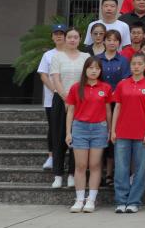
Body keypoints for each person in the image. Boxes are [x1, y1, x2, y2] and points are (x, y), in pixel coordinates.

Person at [64, 56, 112, 213]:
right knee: (81, 165)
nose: (94, 71)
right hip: (80, 128)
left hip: (99, 128)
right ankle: (79, 199)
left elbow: (108, 111)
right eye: (91, 68)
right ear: (85, 69)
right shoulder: (76, 88)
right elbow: (70, 111)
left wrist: (109, 130)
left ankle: (91, 199)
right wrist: (68, 132)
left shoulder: (105, 88)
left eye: (97, 68)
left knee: (95, 165)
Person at [111, 53, 145, 213]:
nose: (136, 67)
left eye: (139, 64)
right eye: (133, 64)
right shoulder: (122, 84)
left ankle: (134, 201)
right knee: (121, 168)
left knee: (140, 169)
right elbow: (117, 107)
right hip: (122, 131)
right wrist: (113, 130)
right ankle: (121, 200)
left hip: (141, 132)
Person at [50, 27, 87, 189]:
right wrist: (66, 98)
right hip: (60, 100)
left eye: (76, 37)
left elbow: (86, 79)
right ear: (65, 39)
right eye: (70, 37)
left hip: (80, 101)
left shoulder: (86, 57)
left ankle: (72, 173)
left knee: (76, 137)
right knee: (58, 137)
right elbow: (56, 79)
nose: (72, 40)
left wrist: (73, 100)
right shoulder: (57, 57)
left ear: (80, 39)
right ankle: (58, 174)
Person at [37, 24, 66, 171]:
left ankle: (64, 157)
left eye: (61, 33)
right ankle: (51, 156)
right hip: (51, 99)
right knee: (53, 127)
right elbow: (43, 75)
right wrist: (54, 89)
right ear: (52, 37)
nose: (59, 36)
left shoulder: (71, 53)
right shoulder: (47, 55)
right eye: (56, 34)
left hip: (68, 98)